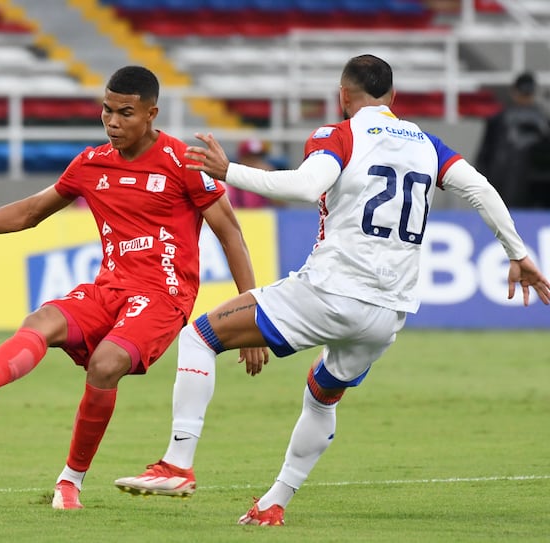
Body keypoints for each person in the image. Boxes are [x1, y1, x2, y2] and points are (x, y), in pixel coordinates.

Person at [114, 54, 550, 526]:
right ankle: (273, 503)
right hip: (388, 312)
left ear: (343, 96)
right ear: (393, 98)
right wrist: (518, 253)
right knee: (322, 393)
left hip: (331, 291)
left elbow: (304, 187)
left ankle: (177, 463)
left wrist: (228, 171)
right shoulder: (429, 144)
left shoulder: (339, 135)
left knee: (200, 337)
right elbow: (481, 190)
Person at [0, 66, 265, 510]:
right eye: (106, 110)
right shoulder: (90, 164)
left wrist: (255, 319)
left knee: (105, 364)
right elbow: (30, 212)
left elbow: (231, 234)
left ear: (151, 114)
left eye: (125, 113)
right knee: (43, 319)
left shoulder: (182, 162)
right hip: (109, 289)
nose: (112, 122)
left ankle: (70, 480)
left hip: (163, 296)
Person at [475, 71, 550, 208]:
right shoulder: (498, 120)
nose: (525, 98)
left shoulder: (543, 120)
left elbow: (483, 156)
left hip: (533, 190)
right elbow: (484, 155)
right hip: (506, 186)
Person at [224, 138, 281, 208]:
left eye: (259, 158)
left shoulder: (265, 180)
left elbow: (282, 207)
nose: (256, 163)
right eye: (251, 158)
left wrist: (272, 182)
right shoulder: (229, 181)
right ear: (242, 159)